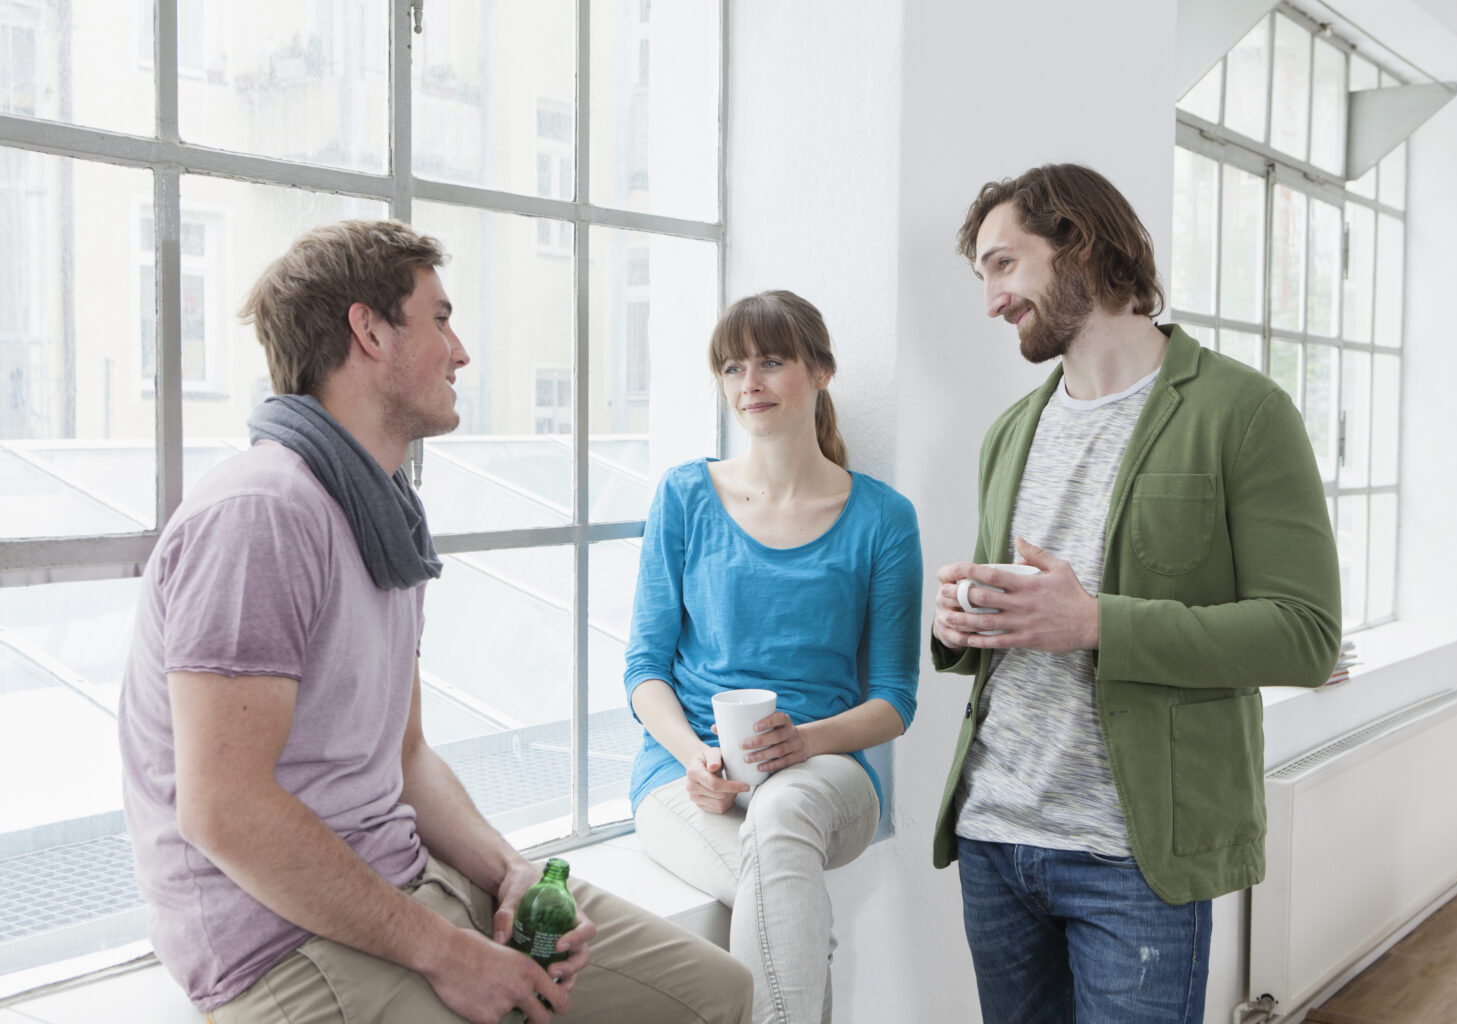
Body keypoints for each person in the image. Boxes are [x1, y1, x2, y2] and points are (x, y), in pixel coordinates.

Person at [119, 219, 752, 1024]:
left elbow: (406, 757)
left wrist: (510, 870)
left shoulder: (378, 511)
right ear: (369, 330)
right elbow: (224, 809)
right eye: (441, 318)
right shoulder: (263, 512)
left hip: (408, 883)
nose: (460, 352)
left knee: (716, 996)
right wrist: (449, 954)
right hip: (289, 949)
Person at [930, 165, 1342, 1023]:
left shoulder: (1245, 412)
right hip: (996, 837)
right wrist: (960, 624)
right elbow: (1018, 616)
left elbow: (1304, 635)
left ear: (1078, 245)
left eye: (1005, 265)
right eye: (983, 277)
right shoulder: (1011, 431)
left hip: (1134, 856)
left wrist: (1095, 622)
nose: (991, 301)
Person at [623, 290, 923, 1024]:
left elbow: (894, 701)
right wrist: (696, 756)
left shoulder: (883, 518)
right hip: (683, 776)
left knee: (784, 813)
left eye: (770, 361)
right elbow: (645, 669)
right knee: (790, 913)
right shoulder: (686, 497)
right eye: (731, 367)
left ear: (821, 372)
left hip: (826, 774)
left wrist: (804, 743)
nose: (747, 382)